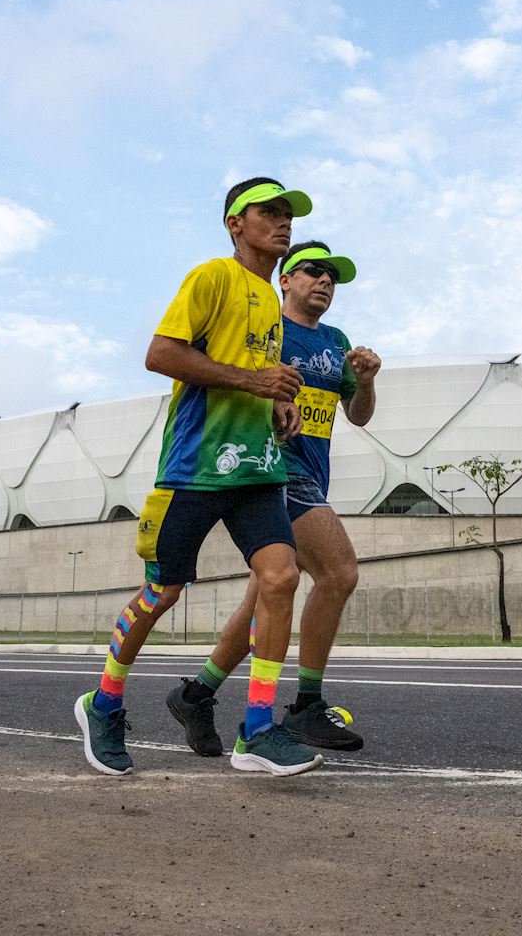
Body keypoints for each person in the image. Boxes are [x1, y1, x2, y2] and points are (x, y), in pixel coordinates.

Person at [74, 177, 326, 778]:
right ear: (236, 223)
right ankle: (103, 702)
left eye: (289, 214)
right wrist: (254, 382)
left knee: (281, 577)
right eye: (270, 211)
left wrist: (277, 403)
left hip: (258, 468)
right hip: (195, 467)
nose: (283, 221)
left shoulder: (269, 300)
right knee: (162, 592)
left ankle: (258, 729)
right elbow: (161, 354)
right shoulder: (212, 276)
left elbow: (255, 373)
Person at [167, 240, 380, 756]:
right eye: (312, 271)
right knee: (338, 573)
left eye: (332, 275)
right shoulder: (266, 329)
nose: (324, 281)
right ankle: (306, 705)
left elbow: (359, 414)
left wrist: (368, 380)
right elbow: (215, 372)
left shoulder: (336, 340)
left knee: (266, 597)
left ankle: (196, 694)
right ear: (285, 279)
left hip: (313, 472)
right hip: (273, 468)